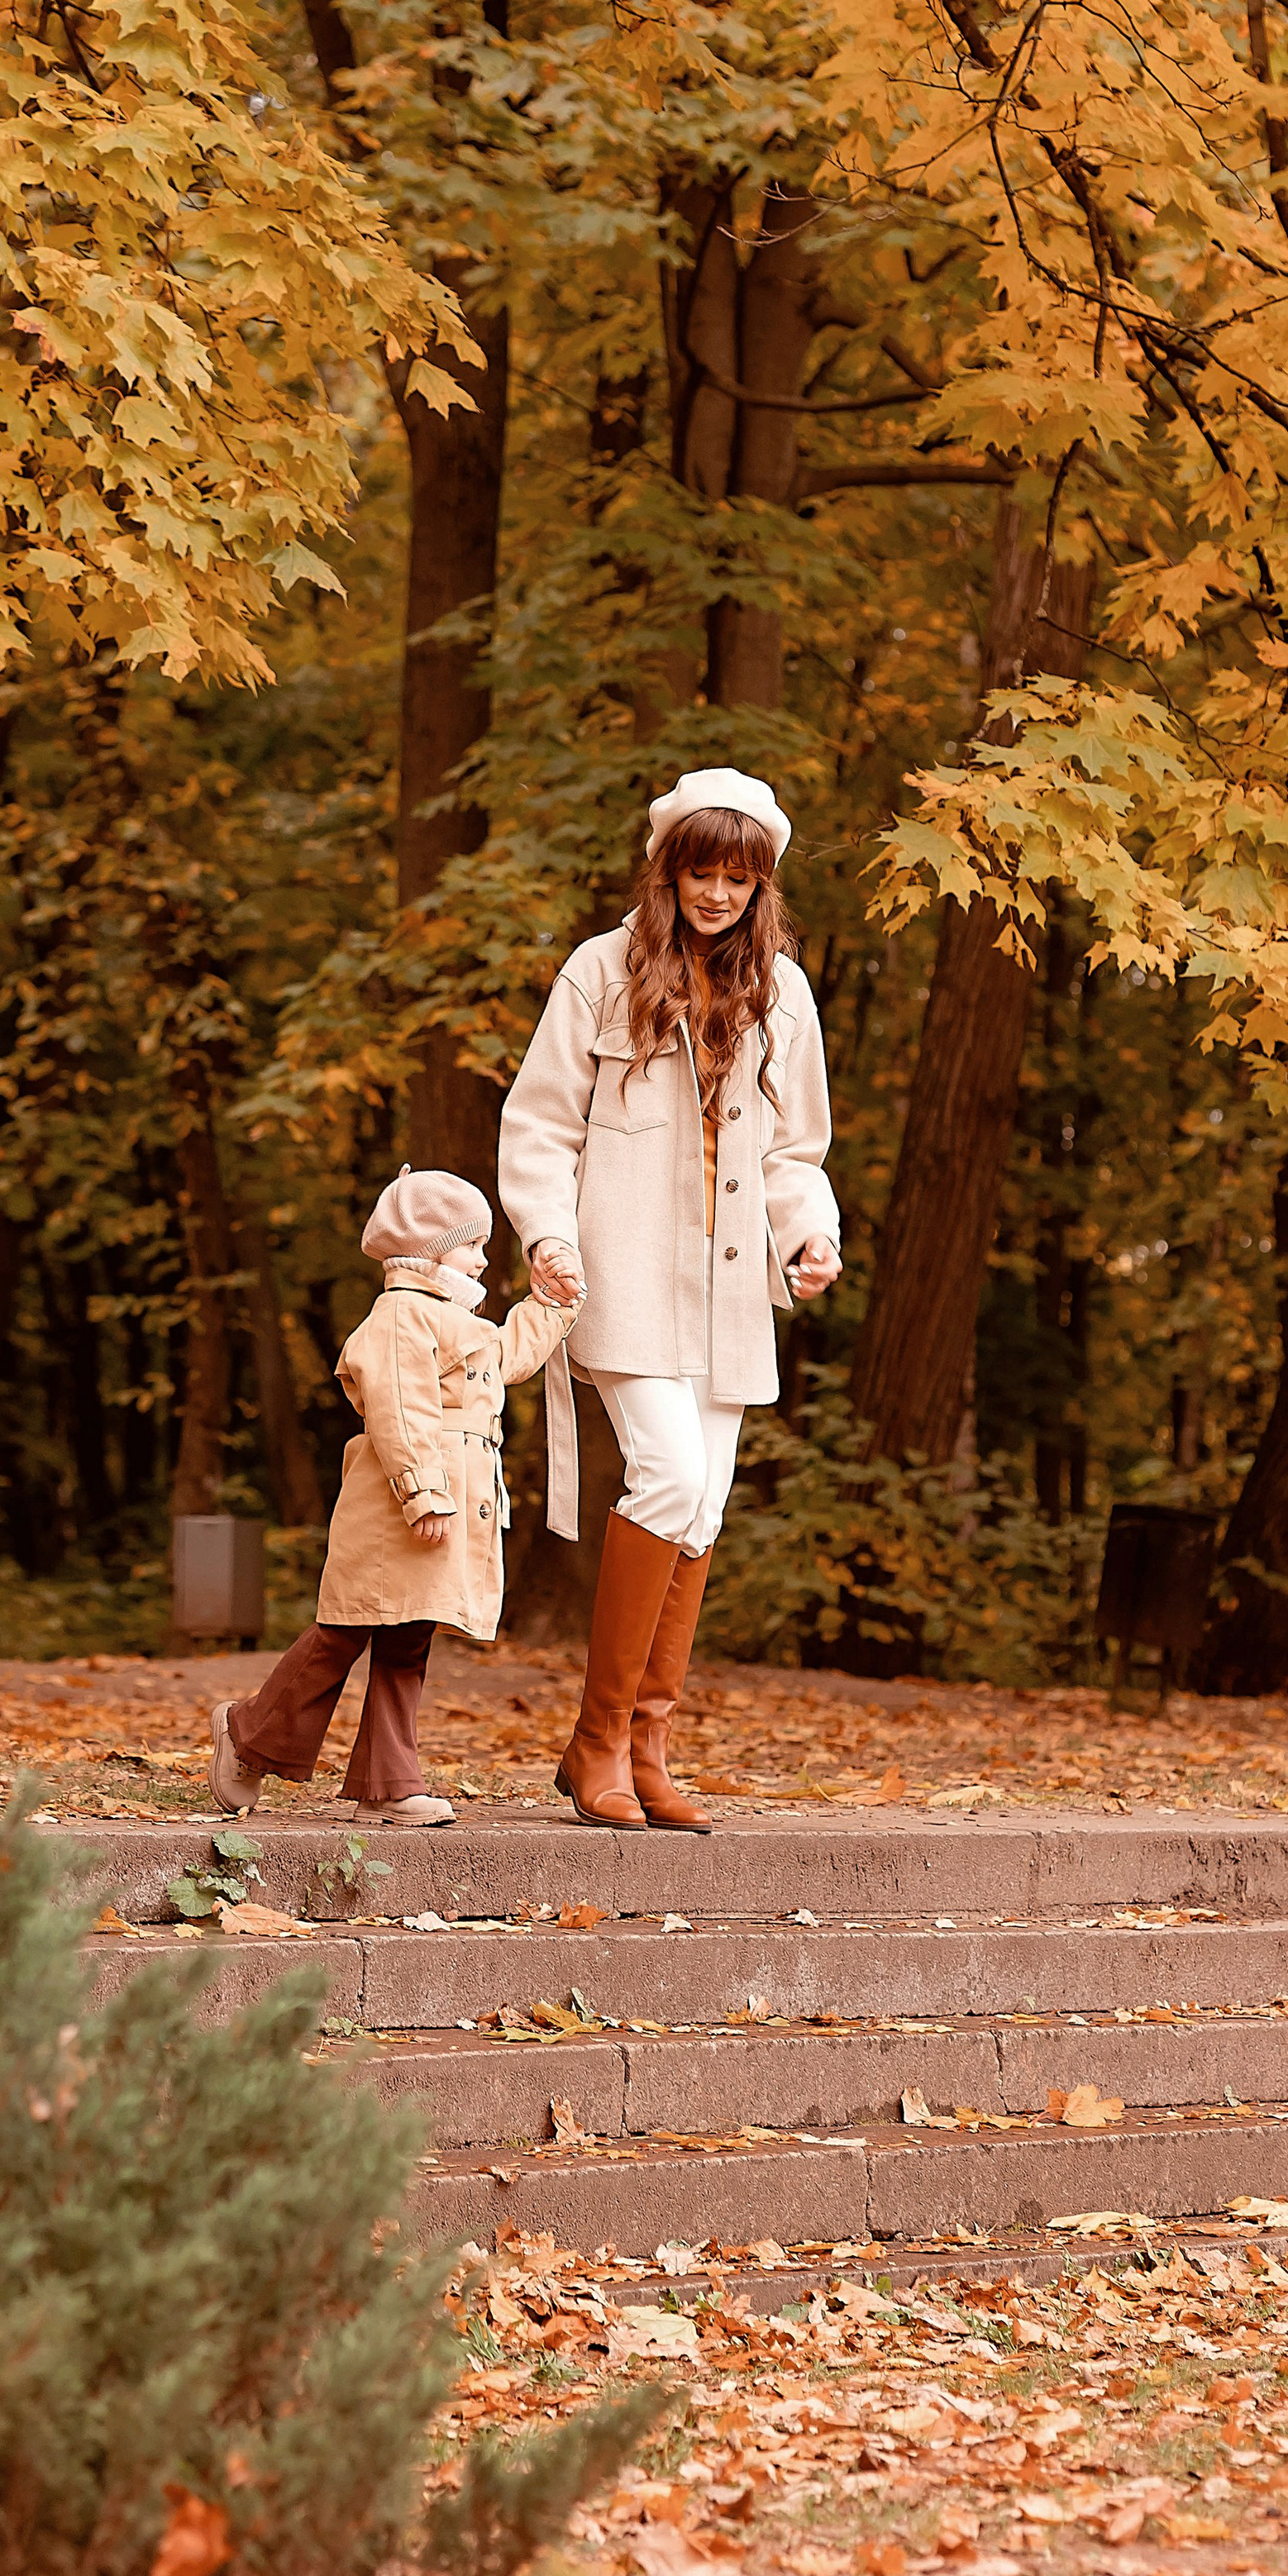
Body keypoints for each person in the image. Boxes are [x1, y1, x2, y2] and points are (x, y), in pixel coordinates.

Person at [499, 767, 842, 1830]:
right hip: (625, 1272)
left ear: (761, 883)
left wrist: (812, 1234)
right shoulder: (602, 971)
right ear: (670, 867)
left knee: (701, 1506)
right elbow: (541, 1124)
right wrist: (547, 1237)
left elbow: (796, 1148)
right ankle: (597, 1740)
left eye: (740, 876)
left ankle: (648, 1748)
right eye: (702, 869)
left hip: (731, 1288)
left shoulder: (781, 991)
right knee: (667, 1475)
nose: (717, 893)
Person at [209, 1166, 580, 1825]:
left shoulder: (452, 1319)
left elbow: (510, 1355)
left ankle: (390, 1783)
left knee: (408, 1638)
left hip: (444, 1502)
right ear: (432, 1248)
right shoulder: (401, 1316)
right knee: (345, 1632)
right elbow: (400, 1411)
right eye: (472, 1245)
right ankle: (248, 1735)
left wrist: (552, 1305)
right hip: (396, 1508)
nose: (485, 1257)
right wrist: (423, 1492)